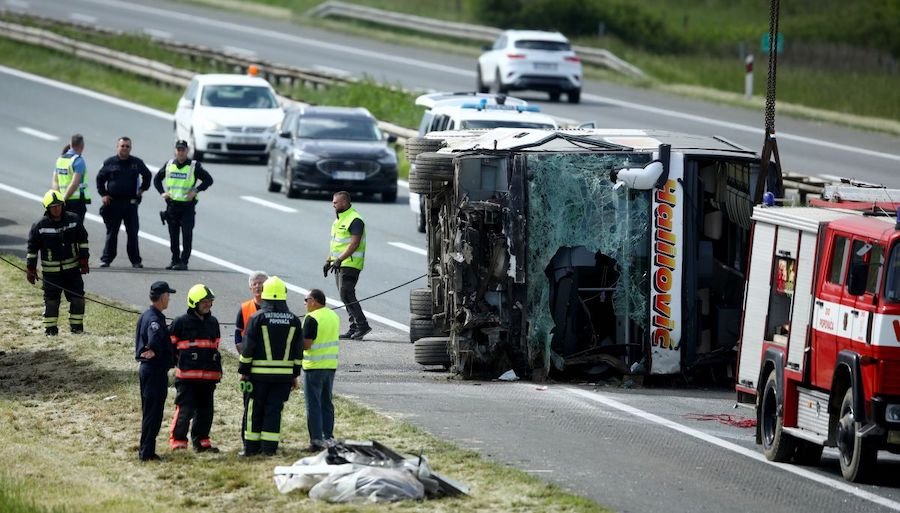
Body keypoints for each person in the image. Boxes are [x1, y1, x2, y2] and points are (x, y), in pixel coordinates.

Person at [238, 276, 302, 456]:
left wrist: (244, 371)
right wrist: (294, 375)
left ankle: (251, 449)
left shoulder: (257, 318)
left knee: (254, 411)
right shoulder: (294, 320)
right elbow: (298, 352)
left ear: (265, 294)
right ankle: (269, 449)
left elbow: (248, 348)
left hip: (258, 376)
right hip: (283, 377)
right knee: (274, 411)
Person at [26, 190, 90, 336]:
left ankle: (77, 328)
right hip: (51, 273)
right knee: (52, 301)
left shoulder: (74, 220)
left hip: (72, 270)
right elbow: (32, 250)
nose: (57, 209)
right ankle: (51, 330)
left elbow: (83, 240)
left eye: (59, 205)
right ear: (47, 208)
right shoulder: (40, 226)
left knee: (78, 298)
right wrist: (31, 269)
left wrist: (84, 260)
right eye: (53, 207)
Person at [169, 284, 222, 453]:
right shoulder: (180, 322)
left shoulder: (213, 322)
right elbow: (170, 347)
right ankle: (178, 442)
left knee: (206, 411)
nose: (208, 305)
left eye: (210, 301)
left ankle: (202, 442)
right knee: (185, 411)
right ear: (194, 303)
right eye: (205, 301)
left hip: (208, 379)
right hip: (187, 379)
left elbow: (216, 346)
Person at [153, 139, 214, 271]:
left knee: (187, 234)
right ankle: (175, 259)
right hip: (172, 205)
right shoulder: (169, 164)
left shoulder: (193, 166)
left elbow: (209, 180)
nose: (181, 152)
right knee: (173, 235)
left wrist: (196, 190)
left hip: (187, 206)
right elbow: (157, 179)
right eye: (178, 149)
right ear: (175, 151)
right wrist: (162, 193)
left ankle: (184, 261)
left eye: (183, 150)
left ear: (187, 151)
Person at [135, 281, 176, 462]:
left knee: (150, 411)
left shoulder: (148, 315)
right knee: (153, 413)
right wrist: (156, 350)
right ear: (162, 297)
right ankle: (147, 453)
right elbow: (155, 340)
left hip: (150, 370)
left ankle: (147, 450)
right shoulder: (154, 319)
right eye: (168, 295)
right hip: (154, 370)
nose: (169, 298)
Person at [95, 136, 152, 268]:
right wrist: (104, 194)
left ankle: (136, 260)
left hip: (131, 204)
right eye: (122, 146)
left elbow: (148, 175)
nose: (125, 148)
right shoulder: (110, 162)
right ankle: (106, 259)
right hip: (113, 203)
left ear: (130, 148)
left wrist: (142, 189)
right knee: (112, 232)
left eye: (127, 146)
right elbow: (100, 179)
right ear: (117, 147)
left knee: (132, 233)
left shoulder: (136, 162)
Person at [323, 191, 371, 340]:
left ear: (344, 202)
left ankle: (362, 325)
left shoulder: (355, 220)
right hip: (339, 263)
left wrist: (340, 259)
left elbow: (354, 243)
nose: (333, 205)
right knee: (344, 295)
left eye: (335, 202)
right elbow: (336, 245)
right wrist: (329, 260)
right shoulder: (338, 220)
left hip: (350, 263)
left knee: (347, 293)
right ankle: (354, 327)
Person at [301, 288, 341, 451]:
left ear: (314, 301)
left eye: (306, 300)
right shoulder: (333, 315)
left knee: (314, 405)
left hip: (314, 366)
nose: (305, 303)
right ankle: (328, 437)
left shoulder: (312, 318)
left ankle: (316, 440)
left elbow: (306, 344)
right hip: (330, 366)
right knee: (326, 403)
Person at [51, 133, 90, 223]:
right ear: (82, 146)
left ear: (70, 144)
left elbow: (55, 181)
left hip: (62, 200)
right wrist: (64, 198)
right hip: (75, 201)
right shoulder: (78, 161)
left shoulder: (60, 160)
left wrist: (58, 199)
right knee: (76, 228)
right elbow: (74, 183)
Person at [234, 271, 268, 353]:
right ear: (250, 288)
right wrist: (242, 352)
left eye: (260, 283)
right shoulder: (245, 308)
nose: (257, 286)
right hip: (250, 353)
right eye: (254, 284)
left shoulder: (275, 307)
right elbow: (238, 331)